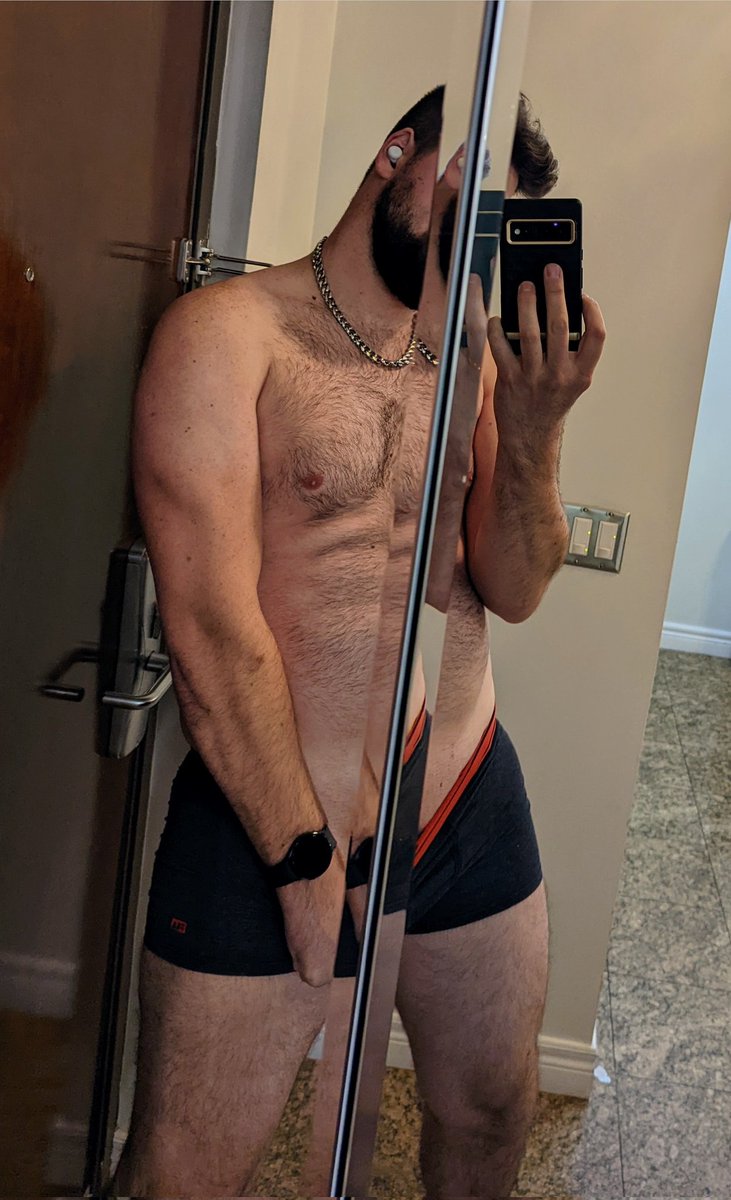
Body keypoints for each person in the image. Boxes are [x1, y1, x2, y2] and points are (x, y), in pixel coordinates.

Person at [115, 89, 606, 1198]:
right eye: (459, 202)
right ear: (396, 157)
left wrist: (534, 431)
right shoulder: (227, 336)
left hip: (461, 792)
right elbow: (209, 627)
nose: (468, 243)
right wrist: (301, 861)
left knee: (491, 1111)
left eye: (493, 225)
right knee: (184, 1175)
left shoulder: (469, 357)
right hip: (271, 804)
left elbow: (513, 588)